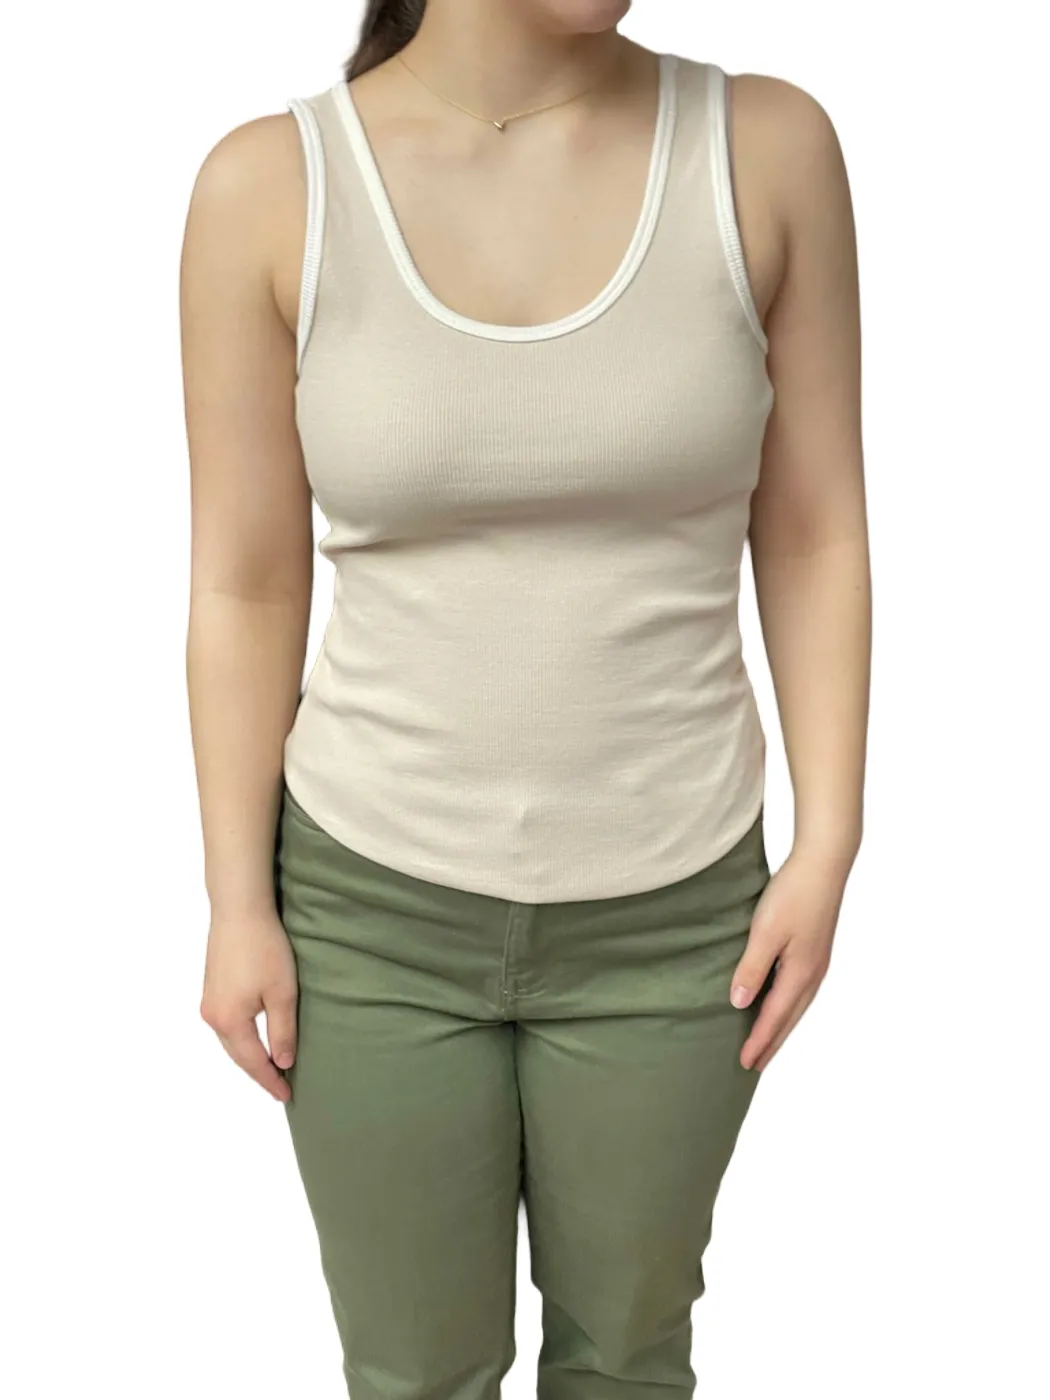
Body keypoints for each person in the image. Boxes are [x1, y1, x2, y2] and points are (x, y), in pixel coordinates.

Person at [180, 1, 870, 1395]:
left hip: (681, 911)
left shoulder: (765, 148)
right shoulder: (268, 186)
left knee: (628, 1363)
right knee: (413, 1377)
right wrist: (236, 902)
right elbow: (245, 584)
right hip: (368, 910)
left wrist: (829, 841)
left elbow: (811, 532)